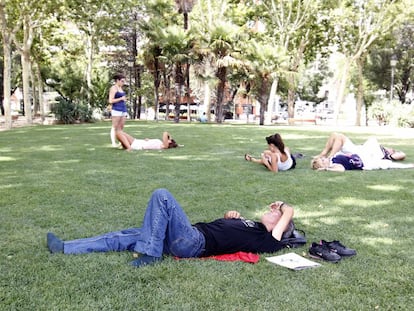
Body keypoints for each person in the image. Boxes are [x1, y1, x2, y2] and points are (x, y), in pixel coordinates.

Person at [47, 188, 295, 268]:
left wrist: (283, 205)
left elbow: (290, 211)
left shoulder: (270, 240)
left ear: (279, 227)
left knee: (162, 195)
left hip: (194, 242)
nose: (273, 211)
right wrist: (229, 217)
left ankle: (151, 253)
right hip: (183, 237)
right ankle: (66, 248)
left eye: (276, 214)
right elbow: (227, 233)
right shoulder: (251, 225)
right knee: (122, 236)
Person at [317, 132, 406, 161]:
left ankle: (330, 158)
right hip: (358, 148)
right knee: (334, 134)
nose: (390, 148)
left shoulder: (385, 155)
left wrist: (398, 153)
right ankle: (323, 154)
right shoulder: (379, 149)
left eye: (392, 149)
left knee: (340, 137)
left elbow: (402, 155)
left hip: (357, 153)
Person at [311, 154, 414, 172]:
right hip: (366, 164)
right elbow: (341, 169)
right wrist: (326, 169)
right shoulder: (333, 164)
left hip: (364, 158)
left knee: (386, 159)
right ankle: (409, 166)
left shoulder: (334, 158)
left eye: (323, 158)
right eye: (323, 161)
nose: (325, 159)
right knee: (388, 164)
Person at [108, 74, 128, 148]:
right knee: (114, 127)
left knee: (121, 127)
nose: (123, 83)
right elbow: (110, 100)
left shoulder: (121, 88)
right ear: (117, 81)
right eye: (122, 81)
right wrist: (121, 99)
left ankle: (121, 142)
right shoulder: (113, 88)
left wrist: (123, 99)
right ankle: (113, 142)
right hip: (116, 109)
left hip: (123, 109)